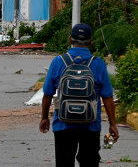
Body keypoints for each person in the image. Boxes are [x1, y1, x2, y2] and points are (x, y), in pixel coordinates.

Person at [40, 23, 118, 167]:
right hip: (91, 124)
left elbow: (47, 94)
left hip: (63, 123)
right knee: (89, 162)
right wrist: (113, 125)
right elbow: (107, 97)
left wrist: (44, 118)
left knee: (64, 163)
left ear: (70, 39)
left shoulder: (58, 62)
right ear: (90, 41)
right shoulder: (98, 64)